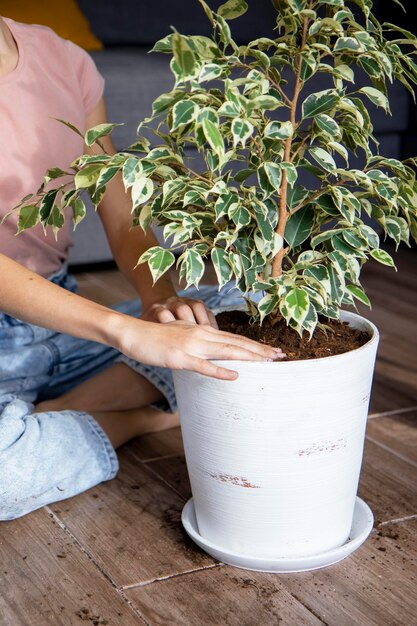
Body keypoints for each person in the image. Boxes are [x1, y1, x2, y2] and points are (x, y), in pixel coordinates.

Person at [0, 16, 284, 520]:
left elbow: (117, 202)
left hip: (60, 318)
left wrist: (158, 303)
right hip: (50, 331)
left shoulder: (63, 59)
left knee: (249, 303)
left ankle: (45, 421)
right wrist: (126, 333)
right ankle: (137, 419)